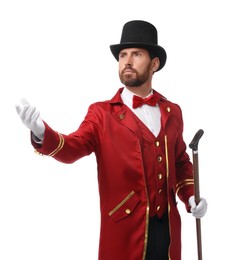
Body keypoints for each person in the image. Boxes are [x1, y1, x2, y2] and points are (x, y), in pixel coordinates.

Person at [16, 20, 207, 260]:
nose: (127, 61)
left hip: (167, 232)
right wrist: (42, 133)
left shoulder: (172, 111)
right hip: (124, 233)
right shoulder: (101, 114)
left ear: (154, 64)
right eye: (123, 55)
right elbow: (72, 148)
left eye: (136, 54)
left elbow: (179, 163)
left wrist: (191, 196)